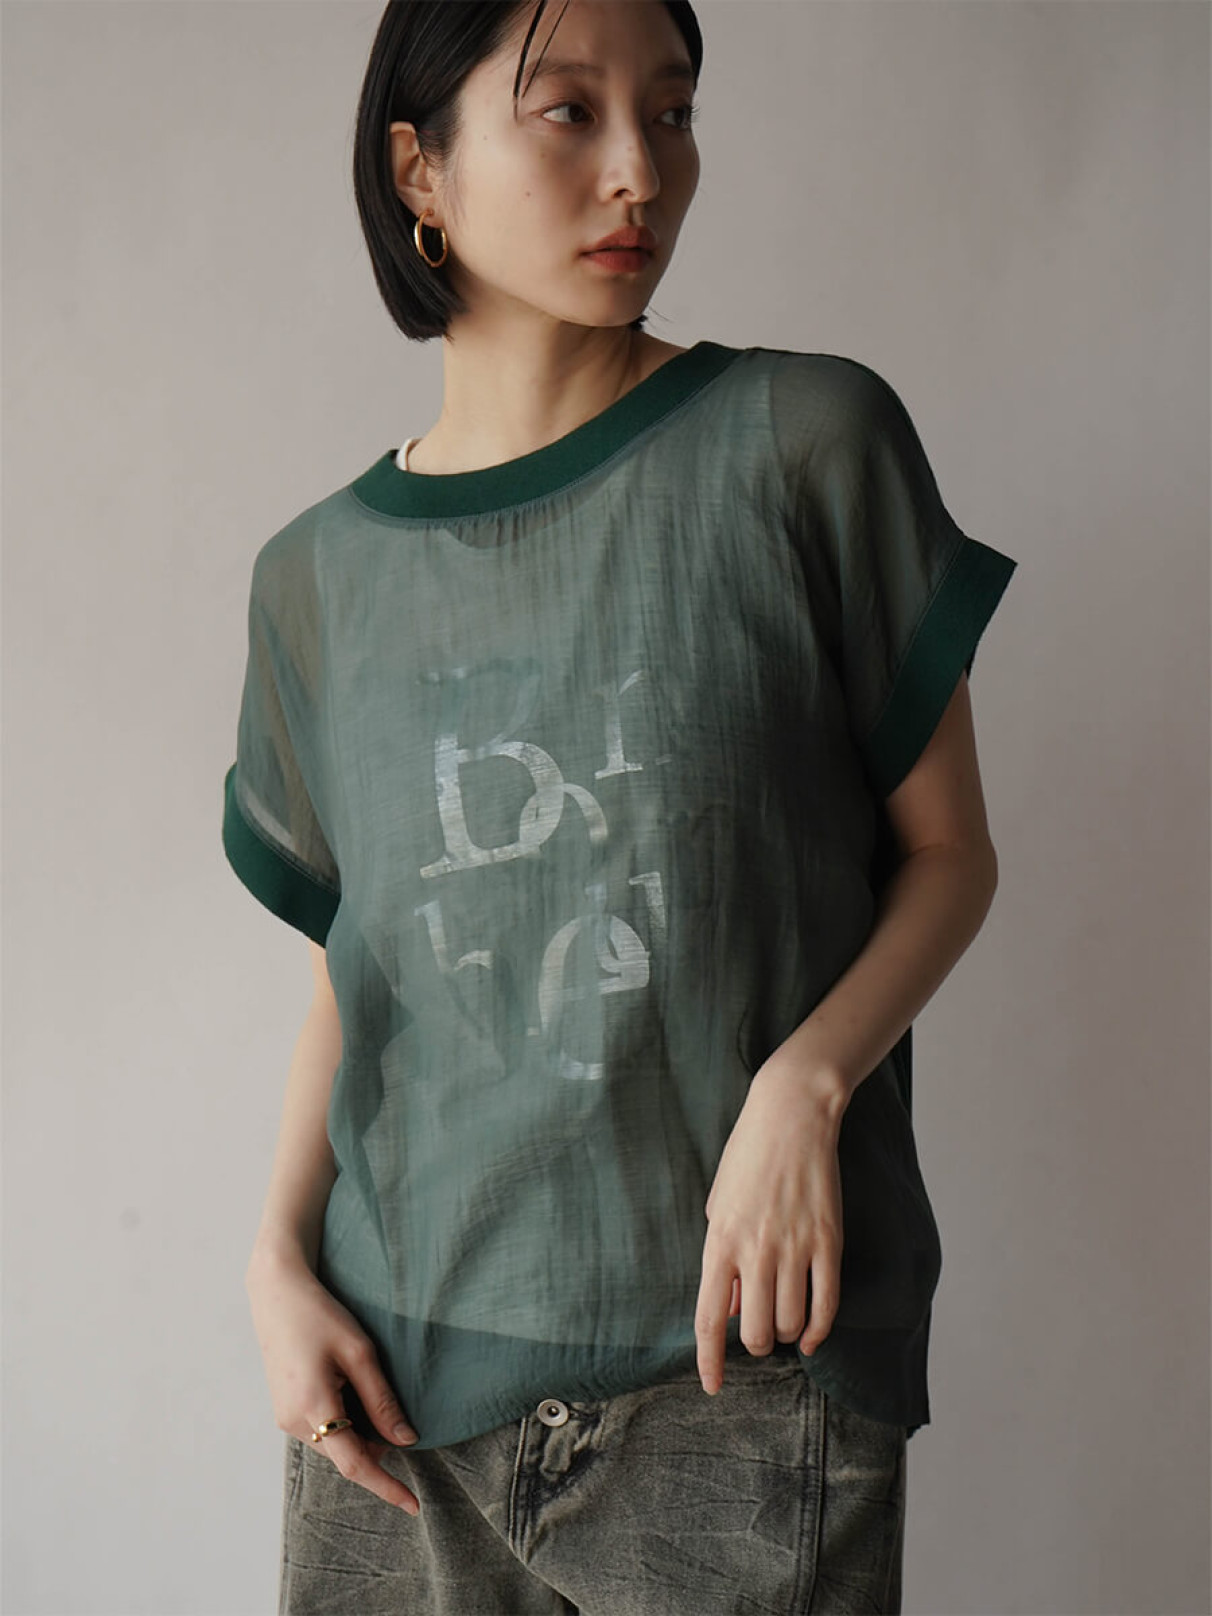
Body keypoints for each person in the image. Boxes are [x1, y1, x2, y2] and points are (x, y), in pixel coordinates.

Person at [222, 1, 1019, 1610]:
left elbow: (949, 854)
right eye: (569, 112)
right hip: (394, 1391)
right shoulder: (315, 580)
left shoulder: (806, 444)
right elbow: (355, 976)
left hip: (734, 1379)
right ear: (419, 170)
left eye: (672, 111)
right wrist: (274, 1262)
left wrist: (805, 1087)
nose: (641, 171)